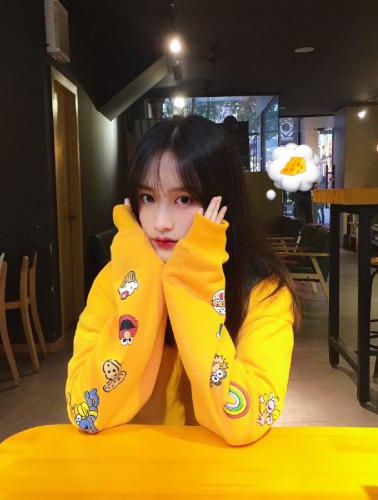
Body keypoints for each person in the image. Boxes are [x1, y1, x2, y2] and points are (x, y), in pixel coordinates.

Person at [65, 115, 300, 445]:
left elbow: (244, 422)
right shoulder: (113, 280)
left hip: (219, 469)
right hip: (130, 464)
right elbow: (85, 411)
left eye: (184, 199)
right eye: (148, 197)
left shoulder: (265, 291)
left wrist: (194, 280)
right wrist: (142, 281)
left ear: (224, 202)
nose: (161, 222)